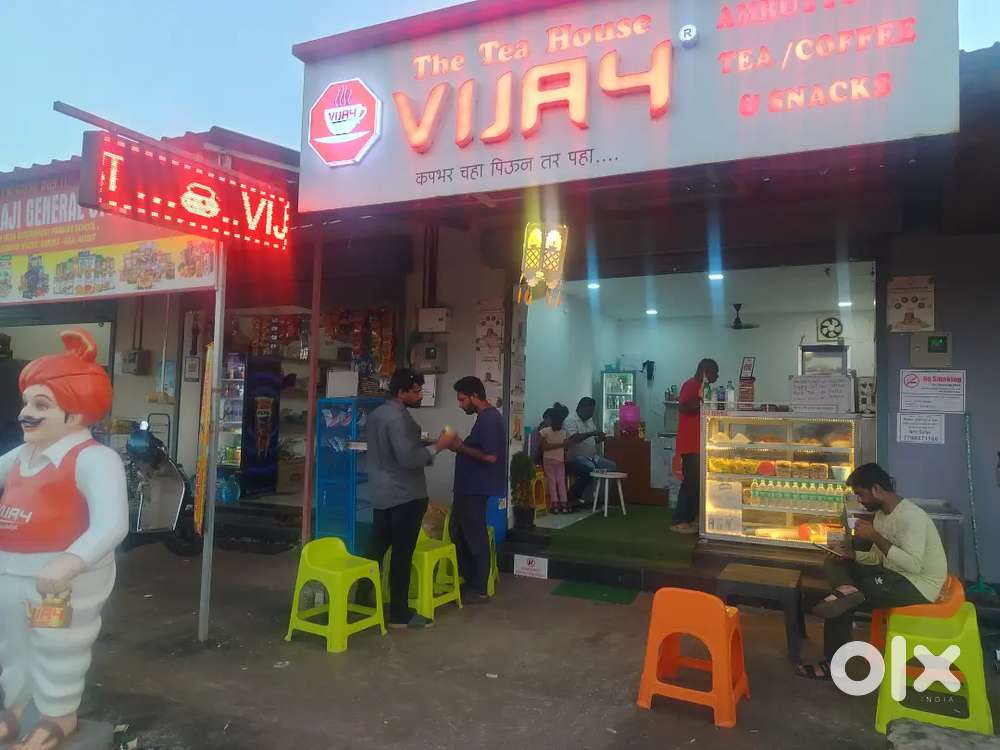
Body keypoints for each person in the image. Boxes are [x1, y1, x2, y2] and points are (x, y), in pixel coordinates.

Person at [0, 329, 129, 750]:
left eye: (41, 405)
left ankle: (58, 715)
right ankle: (15, 707)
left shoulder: (95, 459)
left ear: (74, 414)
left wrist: (71, 561)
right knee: (11, 643)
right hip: (10, 569)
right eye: (26, 403)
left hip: (62, 579)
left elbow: (112, 524)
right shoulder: (21, 455)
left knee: (58, 645)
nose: (26, 414)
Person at [796, 463, 948, 680]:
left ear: (876, 489)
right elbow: (878, 557)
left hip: (917, 584)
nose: (860, 500)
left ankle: (833, 663)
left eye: (861, 494)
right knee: (834, 562)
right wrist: (853, 555)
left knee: (840, 605)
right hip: (891, 574)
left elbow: (913, 565)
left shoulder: (911, 517)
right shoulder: (882, 515)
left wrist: (874, 536)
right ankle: (846, 589)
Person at [365, 369, 452, 629]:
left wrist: (422, 443)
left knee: (376, 549)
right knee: (402, 555)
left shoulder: (377, 414)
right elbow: (409, 458)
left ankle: (361, 599)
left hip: (381, 492)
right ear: (401, 392)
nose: (420, 395)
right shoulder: (398, 419)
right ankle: (400, 614)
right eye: (416, 391)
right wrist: (440, 445)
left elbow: (393, 449)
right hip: (405, 496)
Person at [447, 376, 506, 603]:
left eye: (462, 400)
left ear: (474, 396)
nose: (460, 405)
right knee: (459, 532)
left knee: (474, 537)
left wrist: (460, 446)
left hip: (475, 489)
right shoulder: (484, 417)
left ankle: (479, 587)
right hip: (468, 488)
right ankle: (470, 580)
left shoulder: (489, 419)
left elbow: (490, 457)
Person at [670, 358, 719, 534]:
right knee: (690, 482)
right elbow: (683, 407)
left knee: (697, 483)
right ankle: (680, 520)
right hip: (690, 444)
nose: (717, 376)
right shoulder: (691, 385)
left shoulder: (703, 388)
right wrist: (702, 401)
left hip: (699, 444)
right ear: (705, 371)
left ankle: (691, 518)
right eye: (715, 372)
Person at [564, 397, 615, 507]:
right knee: (591, 468)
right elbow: (574, 438)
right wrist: (592, 433)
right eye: (589, 411)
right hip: (575, 458)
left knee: (611, 466)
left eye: (592, 411)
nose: (591, 414)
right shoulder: (570, 420)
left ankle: (599, 498)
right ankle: (584, 499)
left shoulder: (589, 420)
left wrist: (601, 438)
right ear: (581, 408)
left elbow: (591, 440)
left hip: (592, 457)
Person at [539, 403, 570, 514]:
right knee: (561, 481)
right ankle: (564, 504)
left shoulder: (544, 431)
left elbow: (544, 447)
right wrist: (561, 445)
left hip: (548, 459)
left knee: (552, 481)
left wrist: (556, 445)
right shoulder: (564, 432)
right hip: (560, 460)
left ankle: (555, 504)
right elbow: (566, 447)